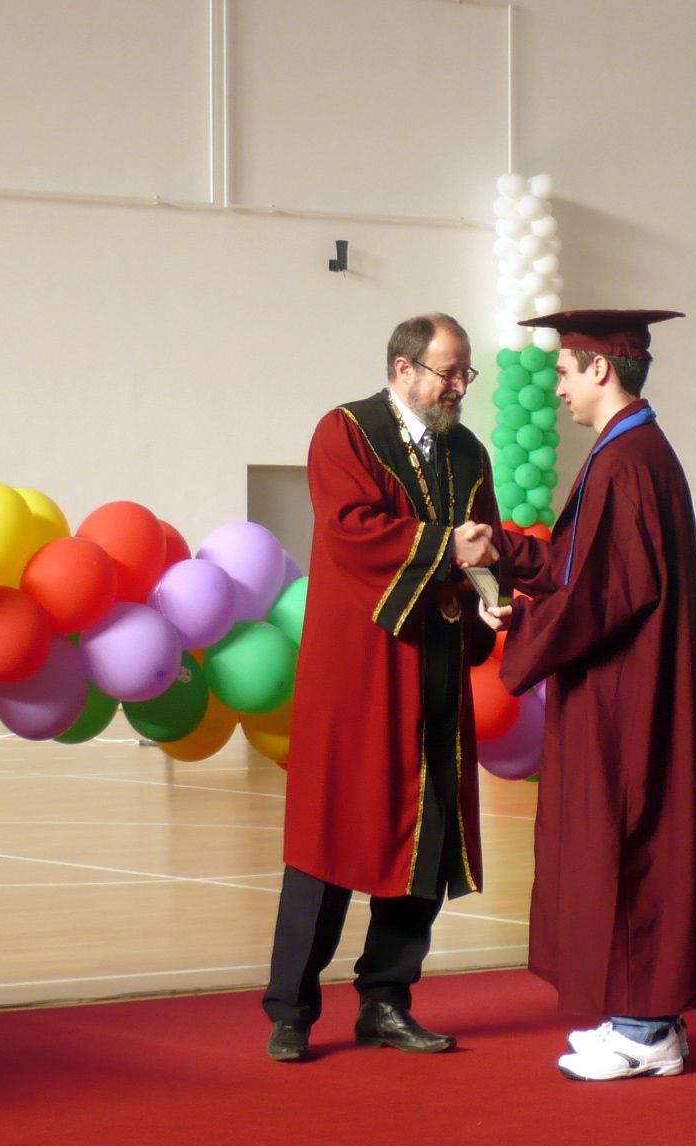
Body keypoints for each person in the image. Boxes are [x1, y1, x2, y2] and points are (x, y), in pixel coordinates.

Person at [475, 309, 696, 1081]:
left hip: (629, 700)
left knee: (632, 841)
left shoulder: (628, 461)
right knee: (628, 842)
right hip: (628, 687)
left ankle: (644, 1028)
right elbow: (576, 564)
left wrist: (523, 624)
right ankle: (641, 1016)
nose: (557, 387)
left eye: (564, 371)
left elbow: (606, 593)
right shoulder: (629, 452)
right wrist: (507, 555)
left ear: (599, 368)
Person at [262, 313, 501, 1062]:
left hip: (436, 664)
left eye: (465, 373)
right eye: (448, 372)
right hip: (360, 669)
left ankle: (386, 1001)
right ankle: (291, 1012)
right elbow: (350, 529)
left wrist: (492, 593)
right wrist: (445, 546)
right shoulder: (346, 433)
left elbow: (484, 540)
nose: (459, 387)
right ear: (403, 368)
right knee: (330, 833)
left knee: (427, 834)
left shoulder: (469, 451)